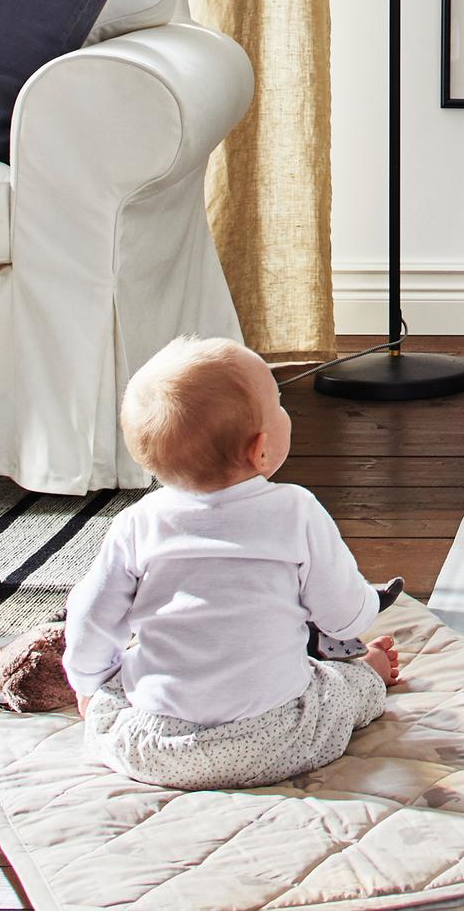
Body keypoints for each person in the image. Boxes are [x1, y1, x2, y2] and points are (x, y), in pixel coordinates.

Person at [64, 336, 399, 790]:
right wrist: (365, 610)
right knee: (341, 686)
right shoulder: (296, 510)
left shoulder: (136, 524)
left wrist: (89, 687)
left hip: (157, 744)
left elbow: (90, 619)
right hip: (277, 738)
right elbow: (342, 615)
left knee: (113, 687)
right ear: (261, 449)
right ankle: (373, 676)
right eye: (279, 404)